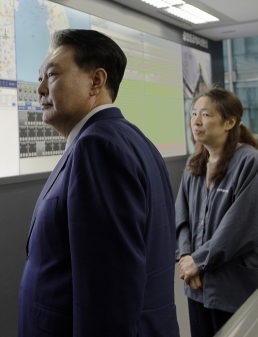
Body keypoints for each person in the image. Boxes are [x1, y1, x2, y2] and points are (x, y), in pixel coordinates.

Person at [18, 29, 179, 337]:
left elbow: (109, 292)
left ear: (96, 81)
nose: (38, 89)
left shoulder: (97, 148)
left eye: (50, 75)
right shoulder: (131, 139)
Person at [176, 88, 258, 337]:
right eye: (193, 114)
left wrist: (198, 262)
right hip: (197, 288)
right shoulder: (194, 165)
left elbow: (242, 228)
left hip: (237, 289)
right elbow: (181, 218)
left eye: (206, 115)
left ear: (230, 122)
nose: (196, 122)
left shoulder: (251, 163)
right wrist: (186, 257)